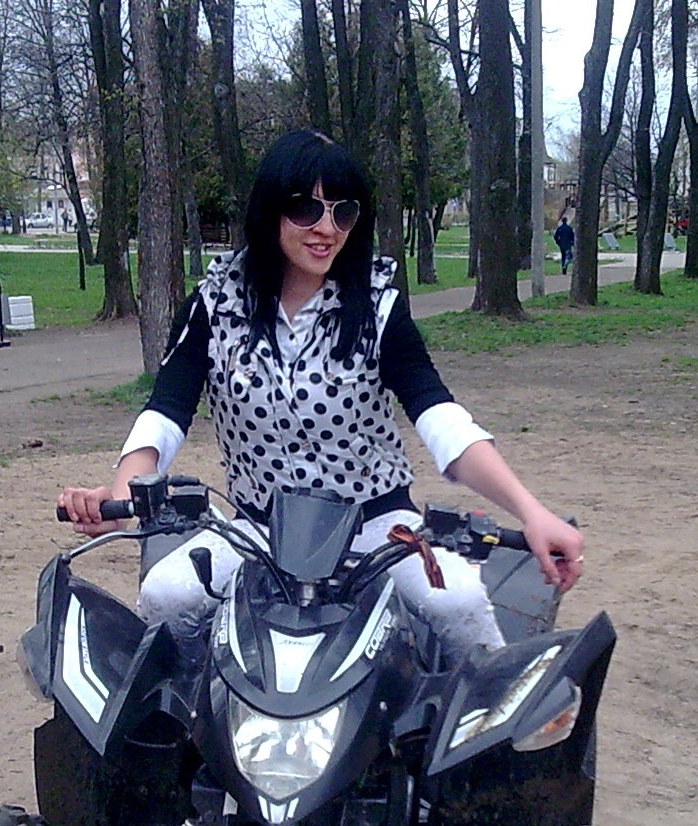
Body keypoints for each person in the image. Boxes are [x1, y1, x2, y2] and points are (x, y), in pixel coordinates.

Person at [57, 130, 583, 664]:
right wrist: (121, 495)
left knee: (458, 602)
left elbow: (440, 416)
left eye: (343, 212)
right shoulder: (214, 304)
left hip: (374, 523)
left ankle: (487, 707)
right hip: (259, 528)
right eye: (306, 209)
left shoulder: (376, 305)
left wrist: (530, 511)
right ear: (270, 210)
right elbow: (165, 413)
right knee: (167, 596)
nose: (327, 229)